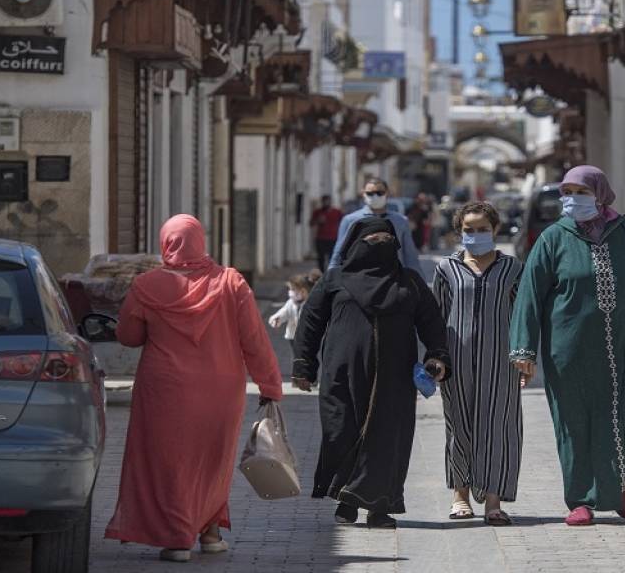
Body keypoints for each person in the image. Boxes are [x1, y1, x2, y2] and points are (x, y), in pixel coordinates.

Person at [104, 215, 283, 563]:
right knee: (213, 461)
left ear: (166, 243)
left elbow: (128, 337)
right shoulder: (231, 282)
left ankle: (177, 539)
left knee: (170, 464)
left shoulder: (146, 285)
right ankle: (210, 533)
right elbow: (255, 342)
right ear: (201, 241)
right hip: (221, 391)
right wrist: (270, 385)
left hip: (164, 392)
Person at [510, 165, 625, 526]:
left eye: (580, 192)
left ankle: (616, 487)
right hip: (569, 350)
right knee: (575, 422)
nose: (571, 199)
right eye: (567, 192)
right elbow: (530, 295)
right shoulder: (554, 238)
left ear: (599, 193)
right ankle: (580, 498)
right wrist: (524, 349)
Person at [292, 218, 450, 529]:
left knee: (387, 441)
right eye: (373, 238)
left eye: (387, 238)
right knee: (341, 432)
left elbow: (432, 323)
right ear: (356, 243)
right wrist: (303, 366)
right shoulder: (335, 279)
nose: (381, 242)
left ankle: (380, 507)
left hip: (393, 379)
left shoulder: (410, 282)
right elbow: (310, 322)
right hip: (341, 376)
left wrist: (437, 357)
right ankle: (346, 496)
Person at [433, 202, 523, 526]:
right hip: (456, 362)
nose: (476, 235)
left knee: (499, 427)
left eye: (482, 229)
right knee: (459, 427)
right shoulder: (446, 269)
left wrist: (526, 355)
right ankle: (460, 496)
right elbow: (436, 317)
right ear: (459, 232)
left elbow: (524, 317)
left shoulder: (513, 269)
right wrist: (435, 358)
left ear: (495, 230)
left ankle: (494, 501)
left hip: (501, 362)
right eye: (469, 230)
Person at [329, 178, 422, 275]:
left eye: (379, 193)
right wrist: (330, 279)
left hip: (392, 276)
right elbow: (338, 253)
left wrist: (419, 283)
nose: (375, 196)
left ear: (387, 193)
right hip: (359, 276)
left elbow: (410, 255)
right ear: (363, 194)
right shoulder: (350, 220)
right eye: (370, 193)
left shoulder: (400, 221)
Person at [268, 271, 320, 351]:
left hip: (307, 336)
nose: (290, 292)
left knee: (305, 355)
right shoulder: (291, 302)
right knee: (296, 355)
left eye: (293, 289)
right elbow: (284, 311)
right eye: (289, 289)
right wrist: (277, 318)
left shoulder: (310, 304)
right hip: (292, 335)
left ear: (303, 291)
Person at [311, 195, 343, 272]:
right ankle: (321, 273)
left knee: (332, 258)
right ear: (322, 202)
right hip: (320, 238)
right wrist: (318, 221)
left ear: (330, 202)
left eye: (327, 201)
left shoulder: (337, 212)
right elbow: (311, 223)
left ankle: (330, 273)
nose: (326, 203)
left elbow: (343, 222)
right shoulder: (317, 212)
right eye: (324, 201)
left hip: (333, 238)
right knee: (320, 258)